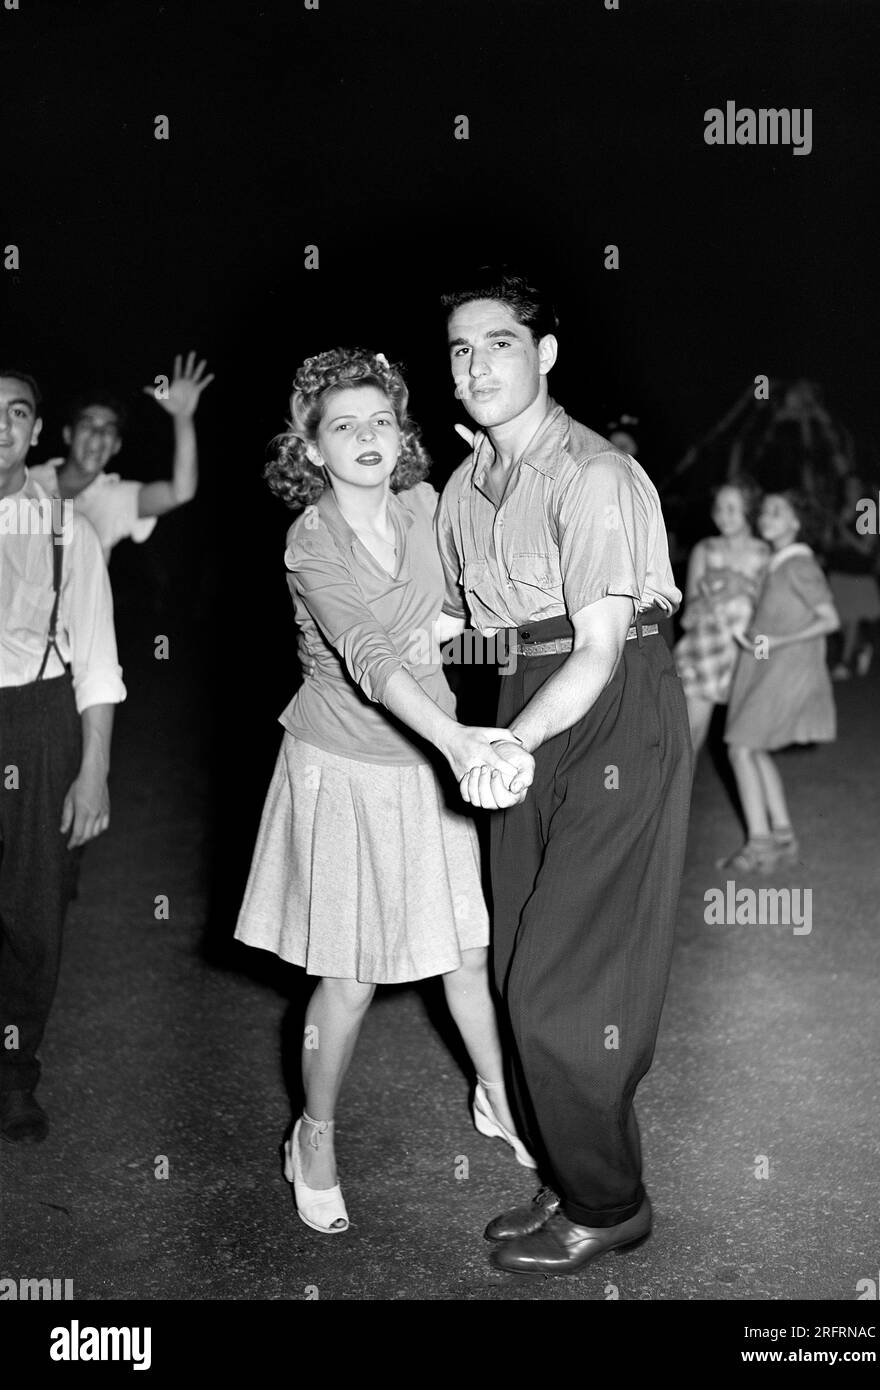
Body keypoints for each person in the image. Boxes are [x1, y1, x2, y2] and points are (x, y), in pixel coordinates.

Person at [234, 348, 535, 1236]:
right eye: (343, 425)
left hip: (424, 765)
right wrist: (455, 739)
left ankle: (496, 1098)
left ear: (403, 434)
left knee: (467, 957)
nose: (366, 437)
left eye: (380, 421)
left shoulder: (425, 504)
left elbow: (464, 605)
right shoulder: (311, 541)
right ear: (314, 448)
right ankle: (313, 1135)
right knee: (352, 981)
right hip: (345, 769)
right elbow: (369, 658)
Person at [435, 269, 693, 1276]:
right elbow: (471, 627)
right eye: (459, 349)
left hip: (607, 703)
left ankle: (609, 1202)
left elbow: (592, 648)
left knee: (566, 985)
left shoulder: (593, 474)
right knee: (512, 969)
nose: (476, 365)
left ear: (543, 354)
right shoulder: (465, 486)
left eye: (498, 343)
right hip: (520, 701)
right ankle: (566, 1168)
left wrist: (510, 743)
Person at [0, 369, 126, 1142]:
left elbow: (100, 661)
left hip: (39, 720)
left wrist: (94, 770)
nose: (1, 426)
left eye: (15, 413)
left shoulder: (64, 528)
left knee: (32, 915)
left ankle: (13, 1075)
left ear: (35, 431)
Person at [719, 490, 840, 872]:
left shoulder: (798, 565)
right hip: (771, 665)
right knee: (753, 749)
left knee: (740, 748)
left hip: (788, 669)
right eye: (765, 511)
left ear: (796, 523)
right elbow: (775, 623)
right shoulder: (776, 564)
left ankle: (760, 847)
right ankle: (783, 839)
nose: (767, 517)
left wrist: (776, 642)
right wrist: (752, 640)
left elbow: (829, 619)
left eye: (778, 511)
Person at [28, 352, 213, 563]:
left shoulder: (117, 498)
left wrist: (183, 417)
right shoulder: (27, 479)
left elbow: (182, 492)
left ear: (116, 446)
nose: (97, 435)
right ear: (68, 434)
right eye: (88, 425)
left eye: (108, 430)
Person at [674, 480, 769, 754]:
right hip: (706, 649)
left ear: (749, 510)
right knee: (691, 737)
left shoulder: (765, 554)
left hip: (747, 653)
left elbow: (768, 614)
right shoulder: (705, 550)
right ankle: (678, 797)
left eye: (732, 509)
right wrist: (716, 597)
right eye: (719, 508)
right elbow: (687, 618)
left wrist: (742, 587)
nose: (722, 516)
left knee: (747, 745)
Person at [826, 473, 880, 680]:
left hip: (858, 575)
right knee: (837, 621)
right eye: (848, 487)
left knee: (851, 619)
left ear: (861, 490)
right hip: (838, 573)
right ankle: (861, 647)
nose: (851, 491)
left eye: (855, 487)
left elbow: (866, 548)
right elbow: (830, 542)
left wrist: (844, 532)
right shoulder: (840, 512)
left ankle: (844, 662)